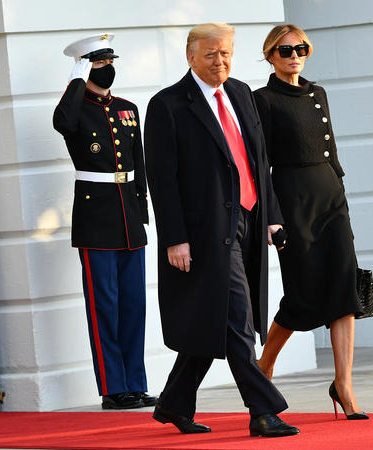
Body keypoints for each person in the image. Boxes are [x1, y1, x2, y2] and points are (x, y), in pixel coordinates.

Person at [143, 22, 299, 438]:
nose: (220, 61)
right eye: (211, 53)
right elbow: (161, 178)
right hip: (204, 230)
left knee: (212, 317)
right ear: (191, 56)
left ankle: (174, 402)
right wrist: (175, 237)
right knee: (236, 318)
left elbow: (256, 159)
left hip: (249, 219)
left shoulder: (242, 94)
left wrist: (272, 214)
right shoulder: (168, 104)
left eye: (226, 53)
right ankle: (263, 410)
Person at [252, 24, 368, 421]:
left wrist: (341, 196)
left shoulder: (318, 93)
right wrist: (270, 217)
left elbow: (330, 151)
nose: (294, 55)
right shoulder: (262, 100)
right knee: (301, 295)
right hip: (292, 201)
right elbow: (258, 165)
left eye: (300, 48)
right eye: (285, 50)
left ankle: (344, 386)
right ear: (271, 55)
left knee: (343, 289)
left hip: (331, 199)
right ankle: (264, 366)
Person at [53, 33, 157, 409]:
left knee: (133, 305)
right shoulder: (75, 108)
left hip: (128, 217)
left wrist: (142, 214)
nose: (108, 68)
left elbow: (139, 164)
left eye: (110, 62)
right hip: (95, 218)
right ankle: (113, 389)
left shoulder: (128, 108)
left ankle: (135, 382)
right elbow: (61, 123)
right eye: (99, 63)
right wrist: (76, 81)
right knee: (104, 306)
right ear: (84, 66)